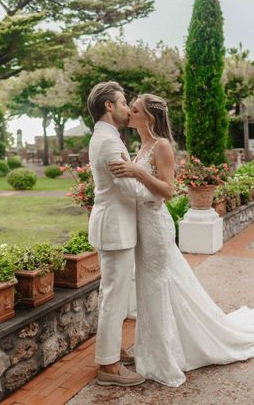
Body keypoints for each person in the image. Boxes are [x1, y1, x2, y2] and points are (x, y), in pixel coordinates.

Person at [109, 93, 254, 387]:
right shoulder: (141, 146)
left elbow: (168, 191)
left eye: (135, 110)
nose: (129, 113)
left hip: (156, 227)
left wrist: (134, 170)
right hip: (142, 227)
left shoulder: (162, 146)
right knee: (151, 290)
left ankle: (164, 357)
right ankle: (156, 349)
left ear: (150, 117)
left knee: (157, 288)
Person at [86, 81, 157, 387]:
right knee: (114, 296)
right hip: (115, 227)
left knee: (113, 294)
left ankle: (112, 351)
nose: (128, 108)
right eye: (124, 102)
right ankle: (109, 368)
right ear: (109, 106)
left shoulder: (106, 137)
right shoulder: (111, 143)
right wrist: (158, 194)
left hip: (113, 224)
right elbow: (128, 187)